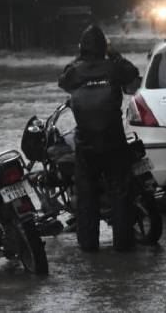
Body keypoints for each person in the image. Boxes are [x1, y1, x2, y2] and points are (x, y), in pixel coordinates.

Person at [58, 25, 140, 252]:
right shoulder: (114, 68)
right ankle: (124, 246)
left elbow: (63, 80)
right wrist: (113, 53)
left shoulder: (75, 71)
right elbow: (132, 75)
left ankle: (89, 247)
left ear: (82, 48)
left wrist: (81, 57)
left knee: (86, 196)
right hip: (114, 140)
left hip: (86, 143)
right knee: (121, 193)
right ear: (104, 46)